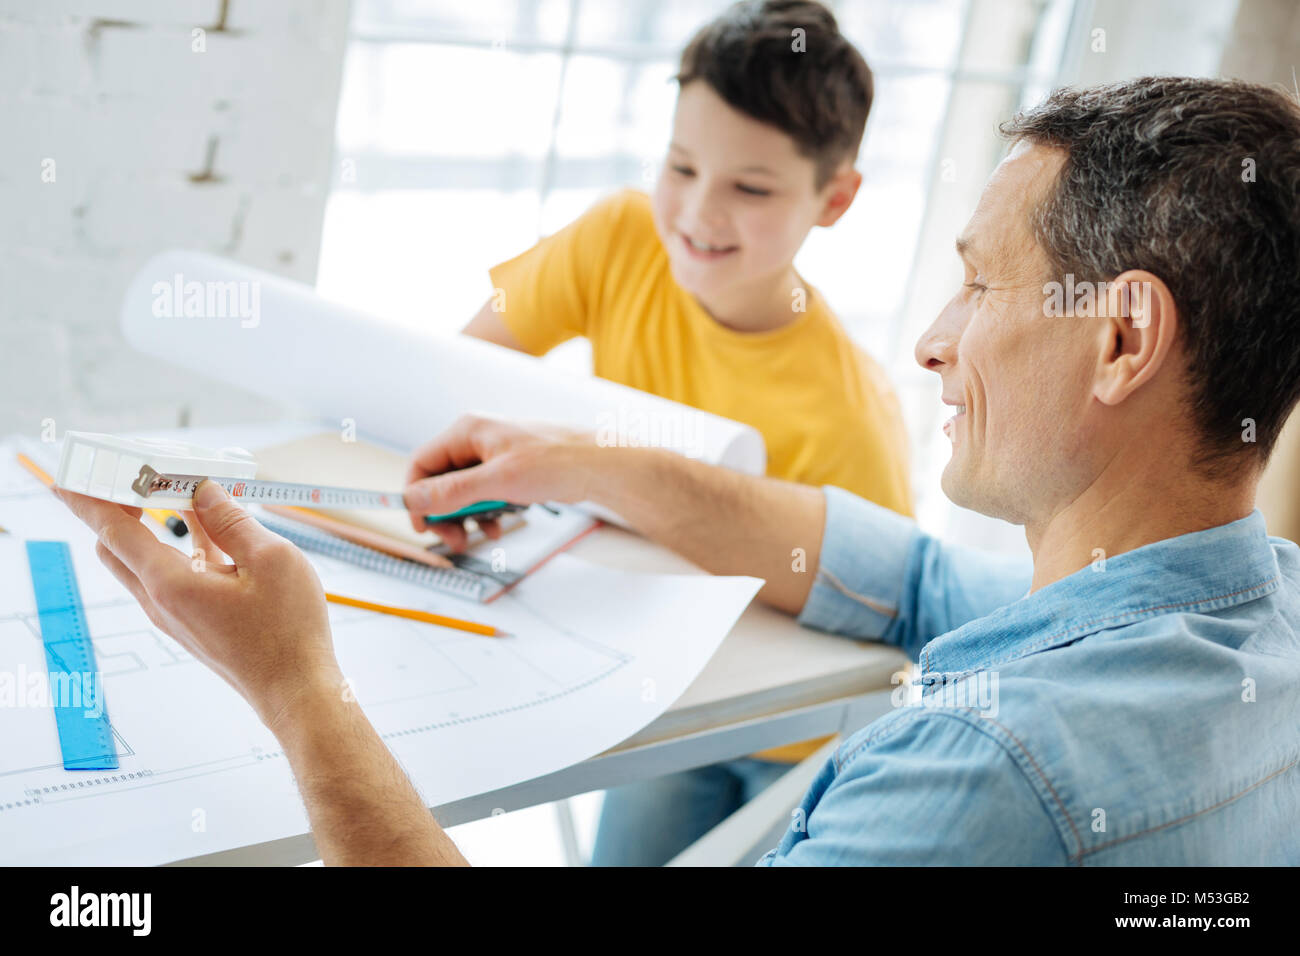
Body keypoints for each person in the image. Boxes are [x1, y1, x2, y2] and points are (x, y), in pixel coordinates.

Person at [62, 75, 1300, 864]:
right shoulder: (1256, 610)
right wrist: (584, 464)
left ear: (1121, 337)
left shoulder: (990, 781)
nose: (932, 337)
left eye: (979, 285)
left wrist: (299, 691)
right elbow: (909, 574)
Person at [460, 0, 913, 864]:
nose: (699, 214)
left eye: (750, 188)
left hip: (805, 731)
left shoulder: (846, 415)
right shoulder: (618, 237)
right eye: (680, 165)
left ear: (836, 198)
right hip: (669, 685)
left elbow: (872, 622)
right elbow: (466, 379)